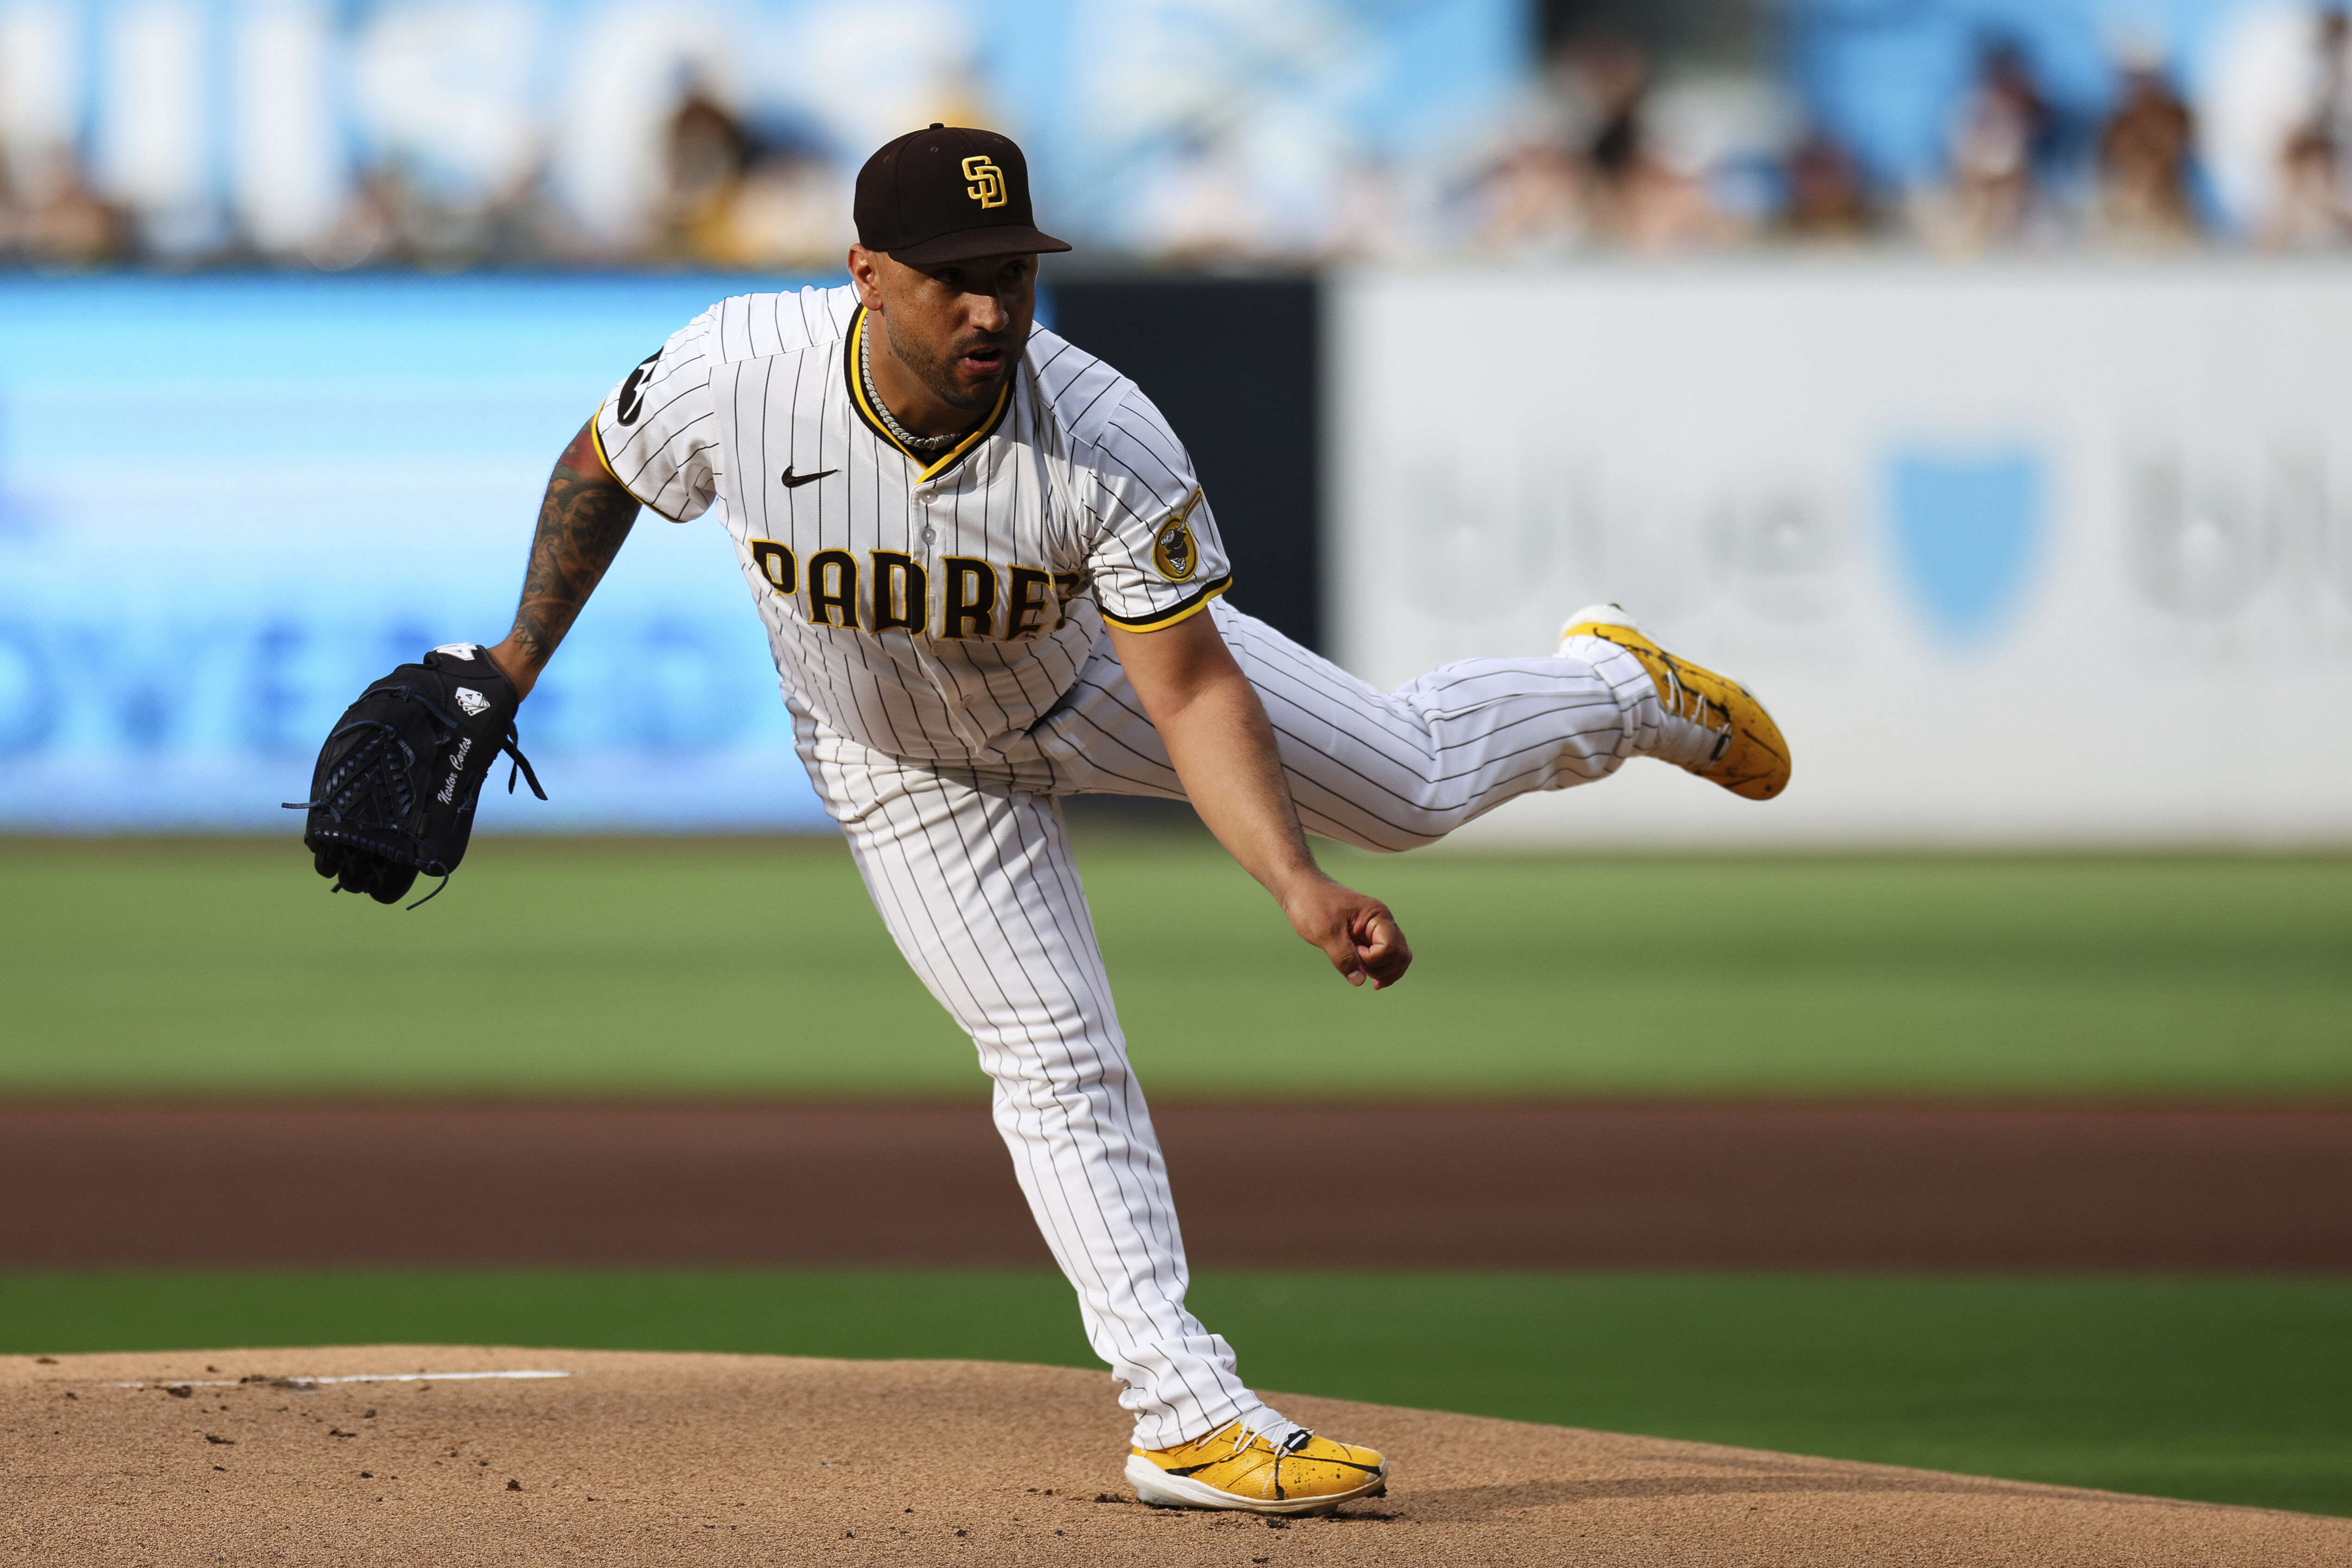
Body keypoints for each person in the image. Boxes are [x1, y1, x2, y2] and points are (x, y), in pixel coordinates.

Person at [477, 124, 1791, 1514]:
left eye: (1014, 271)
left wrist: (1294, 879)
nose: (992, 307)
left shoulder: (1098, 434)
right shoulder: (739, 373)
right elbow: (600, 468)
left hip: (1087, 682)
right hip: (896, 759)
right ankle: (1182, 1413)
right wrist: (509, 668)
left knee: (1406, 785)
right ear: (864, 273)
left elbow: (1188, 688)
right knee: (1049, 1052)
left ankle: (1612, 681)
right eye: (953, 277)